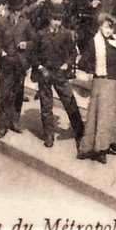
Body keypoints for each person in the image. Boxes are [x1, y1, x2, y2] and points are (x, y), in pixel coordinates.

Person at [78, 14, 116, 163]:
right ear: (100, 26)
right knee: (101, 115)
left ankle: (109, 143)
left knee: (112, 115)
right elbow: (82, 62)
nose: (108, 30)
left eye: (111, 28)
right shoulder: (95, 42)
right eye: (106, 27)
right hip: (102, 83)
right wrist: (95, 69)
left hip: (115, 82)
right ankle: (98, 149)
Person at [32, 8, 84, 148]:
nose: (56, 22)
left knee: (70, 101)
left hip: (60, 74)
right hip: (45, 74)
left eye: (59, 20)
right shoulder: (40, 34)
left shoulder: (66, 34)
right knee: (46, 105)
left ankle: (80, 132)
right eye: (54, 19)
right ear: (49, 19)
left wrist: (66, 65)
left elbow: (73, 54)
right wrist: (41, 68)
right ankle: (48, 134)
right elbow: (33, 55)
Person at [0, 0, 35, 138]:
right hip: (6, 63)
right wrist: (1, 53)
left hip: (20, 63)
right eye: (14, 10)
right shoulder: (2, 23)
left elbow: (34, 41)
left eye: (18, 10)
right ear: (9, 10)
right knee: (5, 94)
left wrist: (26, 44)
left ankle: (14, 121)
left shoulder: (26, 24)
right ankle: (2, 125)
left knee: (18, 93)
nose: (16, 13)